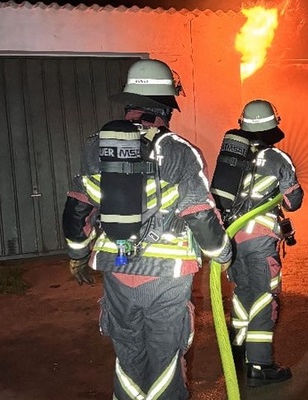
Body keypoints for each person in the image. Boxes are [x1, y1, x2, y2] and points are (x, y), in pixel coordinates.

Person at [62, 58, 232, 400]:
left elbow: (78, 208)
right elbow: (199, 213)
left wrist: (77, 254)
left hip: (117, 267)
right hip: (167, 275)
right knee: (165, 357)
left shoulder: (96, 146)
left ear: (128, 103)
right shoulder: (180, 151)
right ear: (167, 107)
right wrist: (224, 254)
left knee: (128, 354)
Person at [210, 99, 304, 387]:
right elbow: (293, 201)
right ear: (273, 126)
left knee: (243, 294)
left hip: (232, 240)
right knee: (264, 298)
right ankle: (260, 366)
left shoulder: (232, 158)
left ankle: (238, 355)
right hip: (261, 241)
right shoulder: (278, 158)